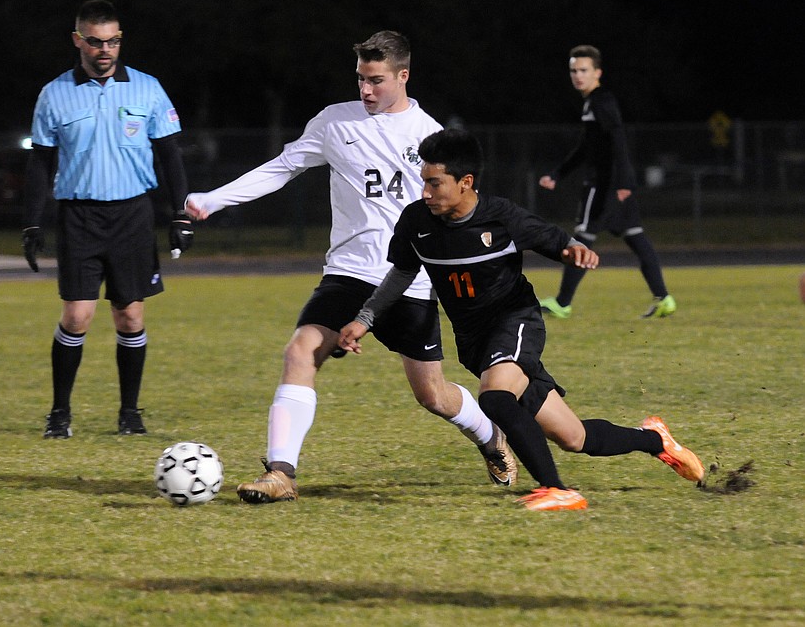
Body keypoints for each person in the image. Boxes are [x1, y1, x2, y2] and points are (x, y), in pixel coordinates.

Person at [185, 30, 517, 503]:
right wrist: (213, 201)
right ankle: (281, 474)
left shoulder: (430, 136)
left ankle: (491, 439)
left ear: (403, 75)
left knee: (432, 394)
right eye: (361, 78)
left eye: (377, 80)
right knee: (300, 351)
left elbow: (457, 213)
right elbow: (282, 168)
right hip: (348, 272)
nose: (366, 90)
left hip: (408, 280)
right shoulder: (334, 122)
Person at [339, 129, 704, 511]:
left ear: (465, 183)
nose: (426, 192)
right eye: (424, 182)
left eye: (434, 183)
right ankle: (655, 440)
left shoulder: (502, 218)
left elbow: (556, 240)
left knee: (495, 400)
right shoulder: (417, 221)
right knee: (573, 437)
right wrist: (364, 319)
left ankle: (558, 489)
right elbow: (401, 273)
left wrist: (575, 251)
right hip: (476, 342)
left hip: (514, 322)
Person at [23, 0, 194, 439]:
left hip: (133, 215)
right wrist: (32, 222)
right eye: (96, 42)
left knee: (130, 318)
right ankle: (59, 414)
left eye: (113, 41)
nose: (105, 50)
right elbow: (40, 162)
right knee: (77, 317)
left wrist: (179, 214)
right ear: (78, 40)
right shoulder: (54, 93)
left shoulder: (148, 89)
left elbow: (170, 155)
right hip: (79, 216)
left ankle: (130, 414)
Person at [538, 44, 676, 319]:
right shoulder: (593, 102)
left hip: (604, 184)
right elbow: (586, 147)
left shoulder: (602, 101)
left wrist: (624, 182)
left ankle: (563, 303)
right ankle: (664, 298)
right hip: (614, 183)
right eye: (574, 70)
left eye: (584, 70)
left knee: (582, 238)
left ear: (597, 72)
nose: (578, 75)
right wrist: (558, 173)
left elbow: (617, 138)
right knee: (636, 237)